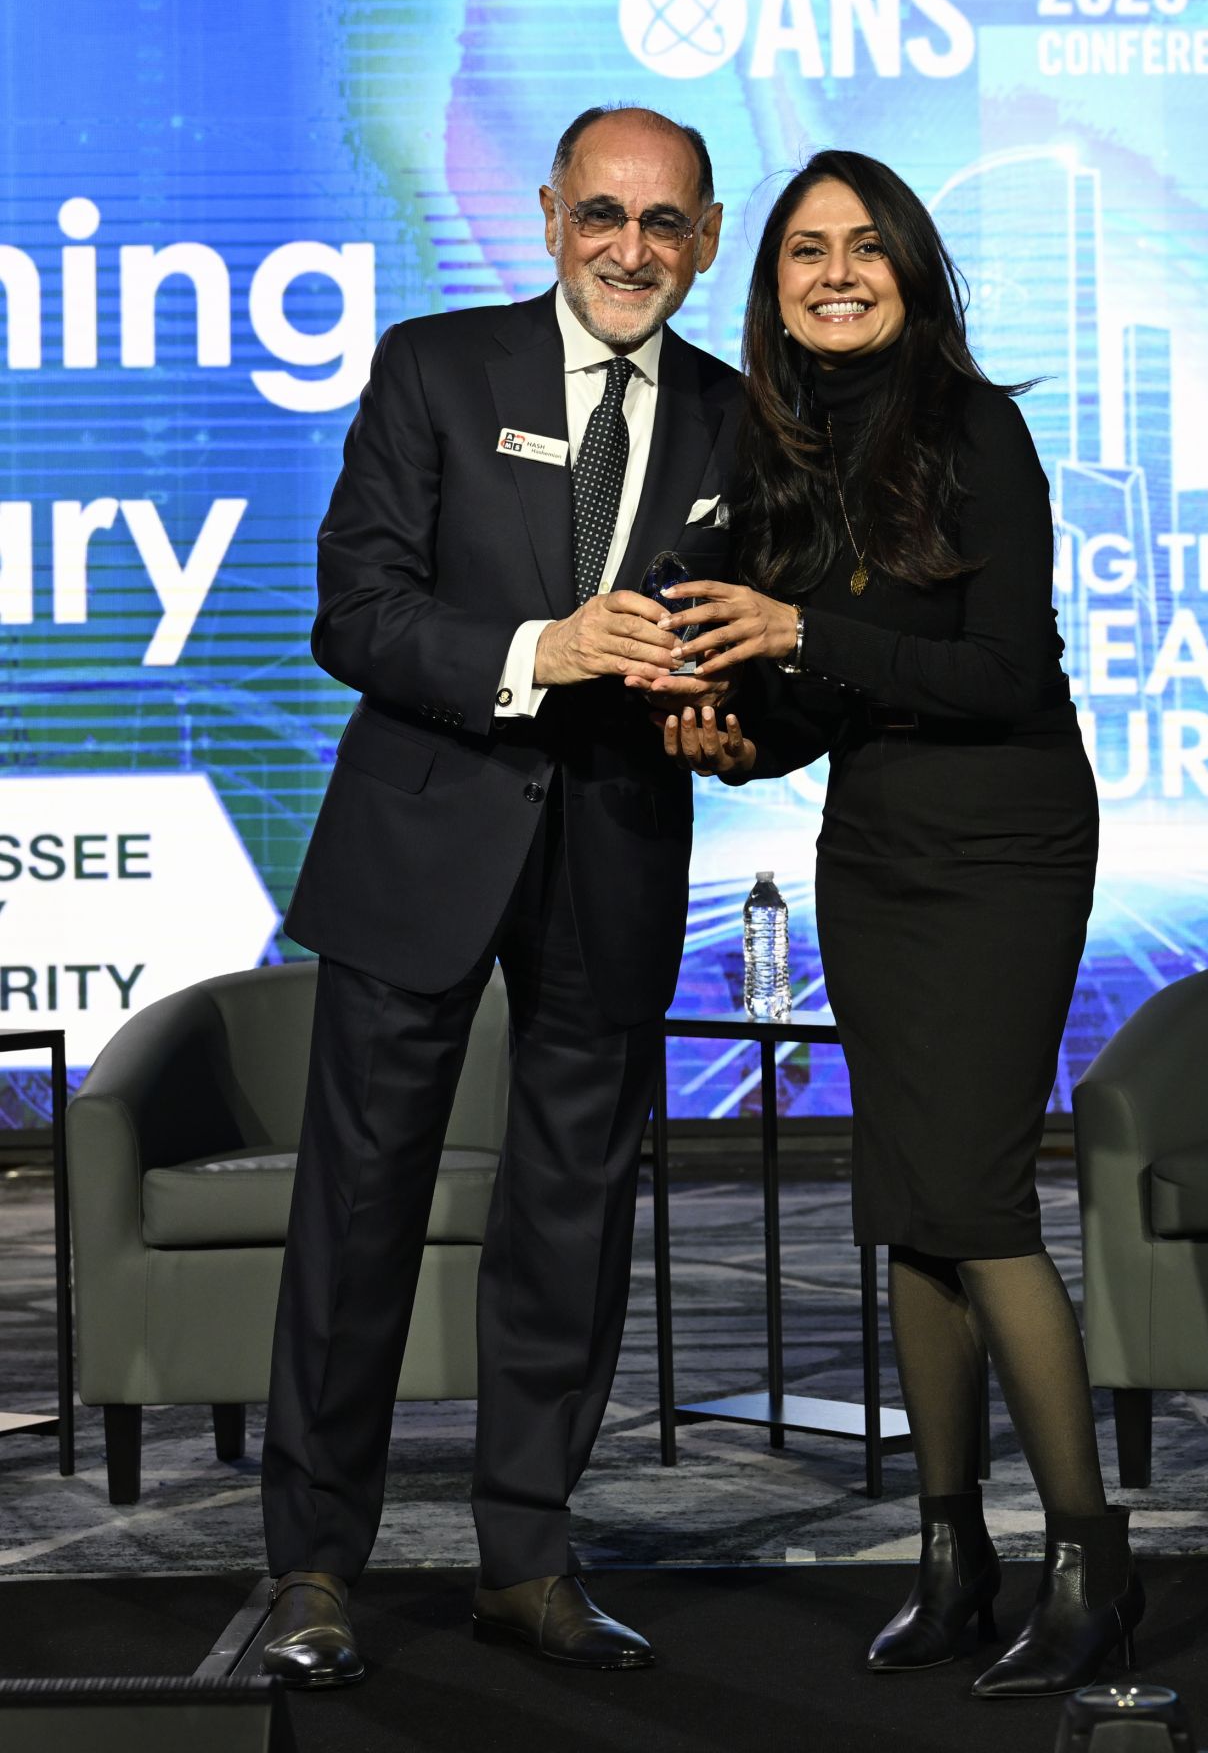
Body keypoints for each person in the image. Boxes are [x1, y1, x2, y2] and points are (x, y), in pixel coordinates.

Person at [259, 105, 742, 1687]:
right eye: (602, 214)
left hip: (617, 851)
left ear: (707, 239)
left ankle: (528, 1561)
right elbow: (355, 612)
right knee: (358, 1210)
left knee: (570, 1221)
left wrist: (733, 713)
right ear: (548, 216)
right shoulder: (433, 368)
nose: (628, 249)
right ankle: (314, 1565)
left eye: (661, 223)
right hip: (422, 845)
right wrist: (544, 650)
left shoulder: (739, 419)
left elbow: (755, 639)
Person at [652, 149, 1142, 1699]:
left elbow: (1003, 675)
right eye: (807, 251)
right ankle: (953, 1558)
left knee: (978, 1203)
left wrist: (803, 629)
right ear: (773, 284)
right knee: (908, 1204)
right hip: (871, 844)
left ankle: (1091, 1563)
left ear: (912, 271)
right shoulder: (778, 451)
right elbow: (828, 700)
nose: (837, 273)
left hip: (1004, 840)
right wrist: (743, 738)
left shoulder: (973, 427)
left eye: (866, 247)